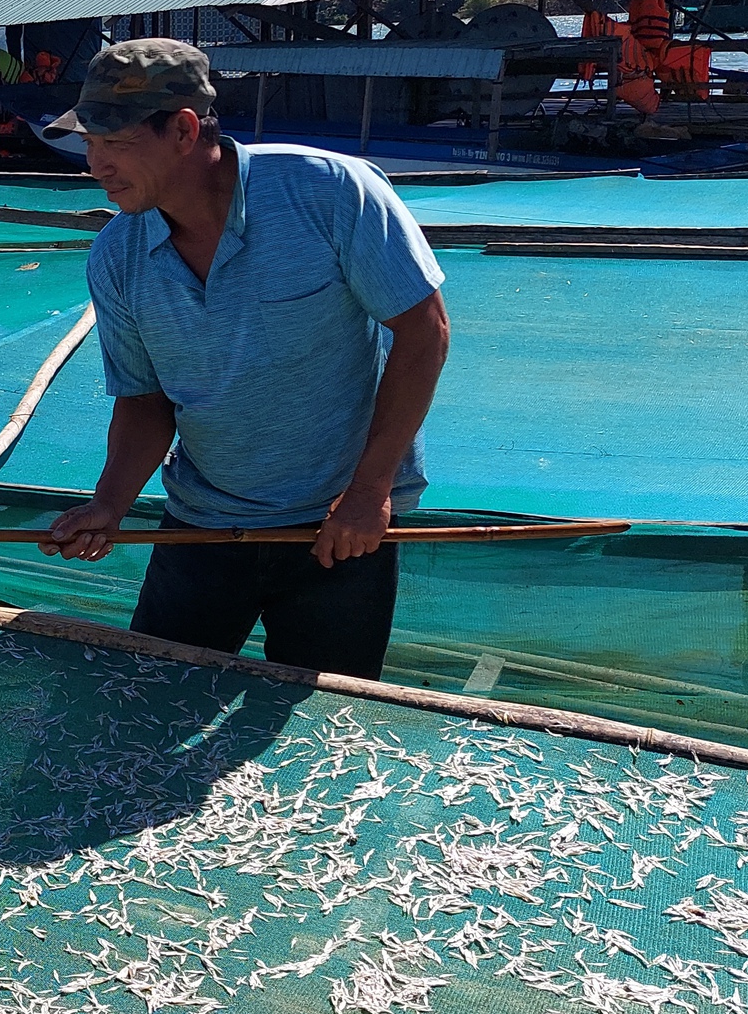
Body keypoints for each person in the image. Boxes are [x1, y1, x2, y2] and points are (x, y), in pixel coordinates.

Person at [39, 39, 450, 680]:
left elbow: (423, 332)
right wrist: (110, 503)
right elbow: (145, 401)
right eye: (88, 143)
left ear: (182, 130)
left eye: (115, 144)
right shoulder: (116, 255)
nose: (97, 164)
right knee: (152, 698)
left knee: (322, 724)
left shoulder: (332, 193)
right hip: (201, 526)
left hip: (339, 528)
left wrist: (370, 492)